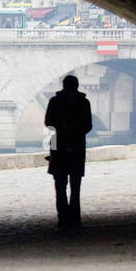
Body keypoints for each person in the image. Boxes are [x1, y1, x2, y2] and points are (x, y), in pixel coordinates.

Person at [44, 75, 92, 229]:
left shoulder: (54, 101)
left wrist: (62, 127)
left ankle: (63, 217)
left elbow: (48, 123)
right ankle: (75, 218)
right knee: (75, 186)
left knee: (60, 185)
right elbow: (87, 126)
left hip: (58, 147)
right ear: (77, 86)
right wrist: (75, 129)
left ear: (63, 86)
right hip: (77, 147)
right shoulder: (84, 103)